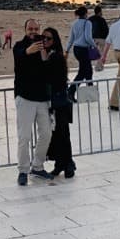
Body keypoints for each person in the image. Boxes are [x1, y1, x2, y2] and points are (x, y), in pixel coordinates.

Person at [13, 19, 53, 185]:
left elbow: (48, 68)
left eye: (36, 29)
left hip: (42, 98)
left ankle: (37, 166)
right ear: (25, 29)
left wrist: (44, 52)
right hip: (25, 97)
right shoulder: (19, 46)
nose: (33, 31)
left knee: (46, 133)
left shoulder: (44, 46)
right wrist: (29, 51)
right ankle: (22, 170)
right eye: (30, 29)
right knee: (24, 136)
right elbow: (19, 60)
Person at [43, 27, 76, 179]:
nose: (45, 41)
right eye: (43, 38)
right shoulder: (51, 55)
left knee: (62, 133)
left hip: (59, 101)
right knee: (57, 134)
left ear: (54, 40)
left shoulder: (55, 57)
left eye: (48, 38)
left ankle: (68, 164)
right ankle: (61, 164)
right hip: (55, 100)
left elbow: (51, 77)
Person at [64, 6, 97, 89]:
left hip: (76, 49)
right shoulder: (88, 23)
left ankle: (89, 89)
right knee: (84, 71)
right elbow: (88, 37)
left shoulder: (74, 23)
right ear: (86, 13)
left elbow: (71, 38)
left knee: (87, 70)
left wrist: (67, 50)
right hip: (84, 49)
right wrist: (94, 45)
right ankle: (71, 91)